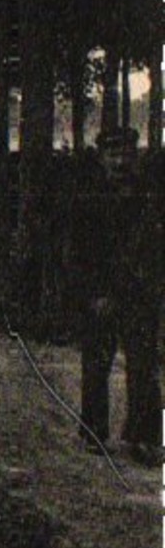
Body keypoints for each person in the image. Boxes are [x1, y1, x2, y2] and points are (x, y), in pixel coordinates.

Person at [71, 130, 163, 466]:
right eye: (113, 155)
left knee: (143, 365)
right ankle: (93, 430)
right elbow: (79, 252)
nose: (121, 162)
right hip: (103, 295)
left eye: (126, 154)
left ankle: (143, 437)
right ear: (101, 158)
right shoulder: (89, 200)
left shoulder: (148, 198)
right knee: (97, 363)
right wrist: (94, 293)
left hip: (139, 295)